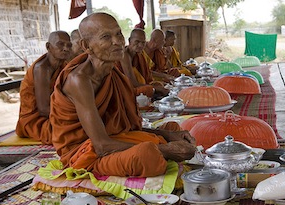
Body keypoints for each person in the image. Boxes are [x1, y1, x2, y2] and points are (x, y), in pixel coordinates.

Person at [49, 12, 196, 178]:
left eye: (119, 34)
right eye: (106, 37)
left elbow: (128, 128)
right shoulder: (79, 81)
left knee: (172, 128)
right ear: (86, 46)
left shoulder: (114, 74)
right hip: (86, 153)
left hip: (112, 140)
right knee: (147, 155)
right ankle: (160, 154)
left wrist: (168, 135)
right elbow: (101, 146)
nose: (118, 41)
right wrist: (164, 150)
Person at [16, 30, 72, 144]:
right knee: (72, 132)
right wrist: (72, 117)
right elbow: (43, 110)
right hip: (36, 120)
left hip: (55, 114)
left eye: (69, 45)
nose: (66, 48)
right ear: (48, 47)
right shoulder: (42, 69)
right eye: (60, 44)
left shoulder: (64, 66)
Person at [118, 28, 169, 99]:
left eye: (143, 42)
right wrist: (157, 88)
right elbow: (133, 83)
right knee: (148, 90)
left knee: (157, 84)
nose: (140, 45)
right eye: (137, 42)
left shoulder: (140, 55)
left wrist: (157, 86)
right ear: (129, 40)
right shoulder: (124, 55)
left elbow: (147, 75)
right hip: (125, 89)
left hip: (139, 85)